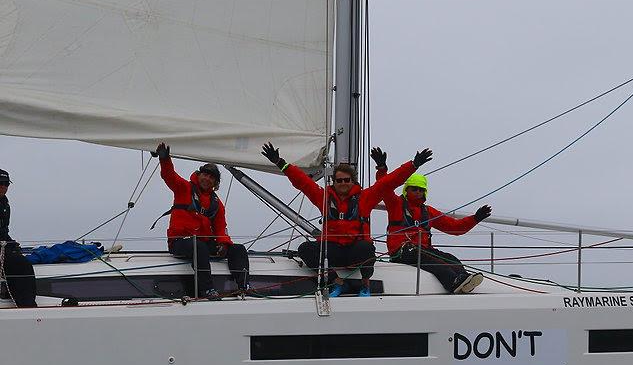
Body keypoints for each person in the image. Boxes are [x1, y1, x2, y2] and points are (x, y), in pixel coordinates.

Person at [262, 142, 432, 297]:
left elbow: (389, 183)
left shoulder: (365, 198)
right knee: (306, 248)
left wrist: (414, 164)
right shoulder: (324, 198)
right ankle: (337, 282)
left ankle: (365, 284)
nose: (343, 183)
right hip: (333, 251)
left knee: (366, 247)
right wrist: (281, 163)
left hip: (355, 252)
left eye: (347, 180)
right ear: (333, 182)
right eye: (339, 180)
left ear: (353, 181)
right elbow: (302, 182)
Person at [371, 147, 491, 293]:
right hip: (402, 251)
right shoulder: (396, 204)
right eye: (414, 189)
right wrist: (382, 168)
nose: (418, 192)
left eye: (421, 189)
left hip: (423, 250)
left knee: (450, 258)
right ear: (406, 190)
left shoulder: (427, 211)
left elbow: (454, 227)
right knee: (429, 257)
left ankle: (463, 279)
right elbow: (384, 186)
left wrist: (475, 218)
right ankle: (452, 282)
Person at [154, 143, 250, 300]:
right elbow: (169, 175)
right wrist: (164, 159)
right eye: (205, 174)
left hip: (203, 244)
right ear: (199, 175)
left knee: (238, 249)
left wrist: (224, 245)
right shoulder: (183, 188)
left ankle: (244, 286)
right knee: (199, 247)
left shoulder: (216, 204)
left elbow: (220, 228)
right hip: (179, 242)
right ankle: (207, 289)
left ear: (215, 183)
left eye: (212, 177)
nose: (207, 178)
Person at [0, 169, 37, 307]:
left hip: (3, 243)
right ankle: (27, 306)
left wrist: (11, 243)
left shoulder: (4, 203)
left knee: (19, 258)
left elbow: (3, 230)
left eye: (6, 183)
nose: (4, 186)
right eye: (0, 183)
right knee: (22, 265)